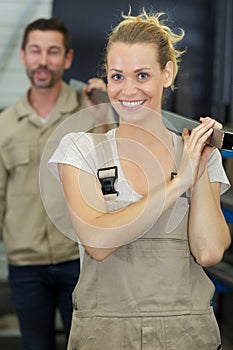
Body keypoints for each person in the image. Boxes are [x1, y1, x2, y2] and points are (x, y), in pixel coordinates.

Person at [48, 10, 231, 350]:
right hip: (104, 338)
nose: (128, 90)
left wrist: (200, 168)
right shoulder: (80, 149)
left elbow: (208, 251)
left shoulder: (199, 156)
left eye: (142, 75)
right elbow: (99, 242)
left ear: (167, 73)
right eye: (117, 76)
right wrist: (179, 182)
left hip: (187, 337)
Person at [0, 17, 115, 350]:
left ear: (66, 59)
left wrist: (102, 120)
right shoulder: (4, 125)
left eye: (53, 52)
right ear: (23, 56)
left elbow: (112, 173)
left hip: (78, 260)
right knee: (36, 345)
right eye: (35, 51)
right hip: (26, 266)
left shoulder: (89, 111)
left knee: (85, 344)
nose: (43, 61)